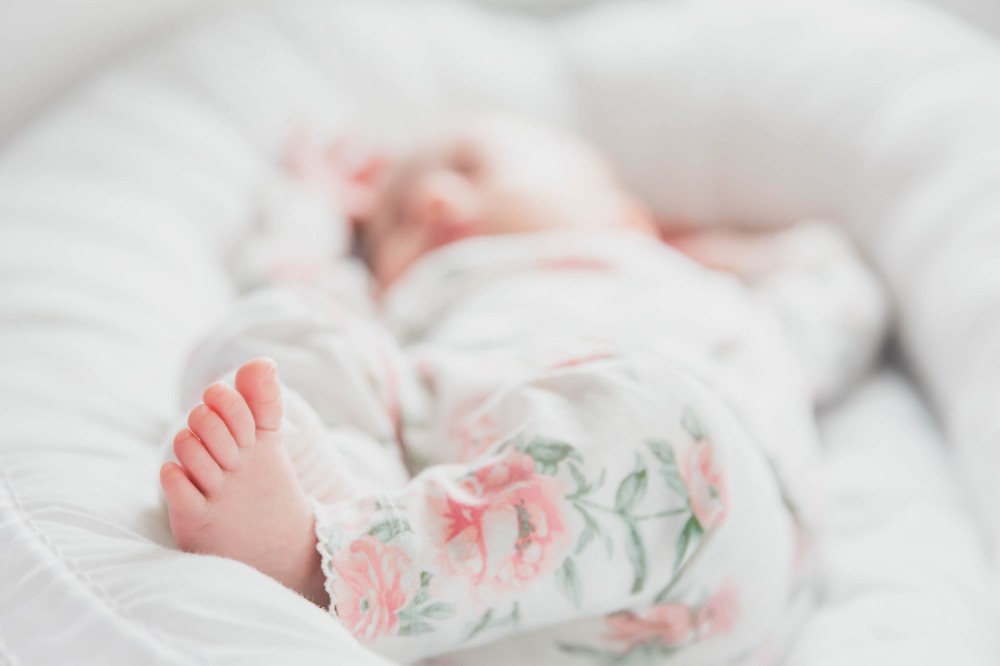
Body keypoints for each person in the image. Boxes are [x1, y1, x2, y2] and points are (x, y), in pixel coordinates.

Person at [159, 114, 886, 664]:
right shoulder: (408, 303)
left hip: (696, 562)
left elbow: (842, 288)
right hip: (473, 581)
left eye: (474, 168)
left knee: (653, 423)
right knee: (282, 328)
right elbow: (288, 274)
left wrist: (688, 249)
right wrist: (312, 202)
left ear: (626, 212)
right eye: (395, 220)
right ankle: (338, 518)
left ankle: (338, 569)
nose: (434, 199)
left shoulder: (699, 294)